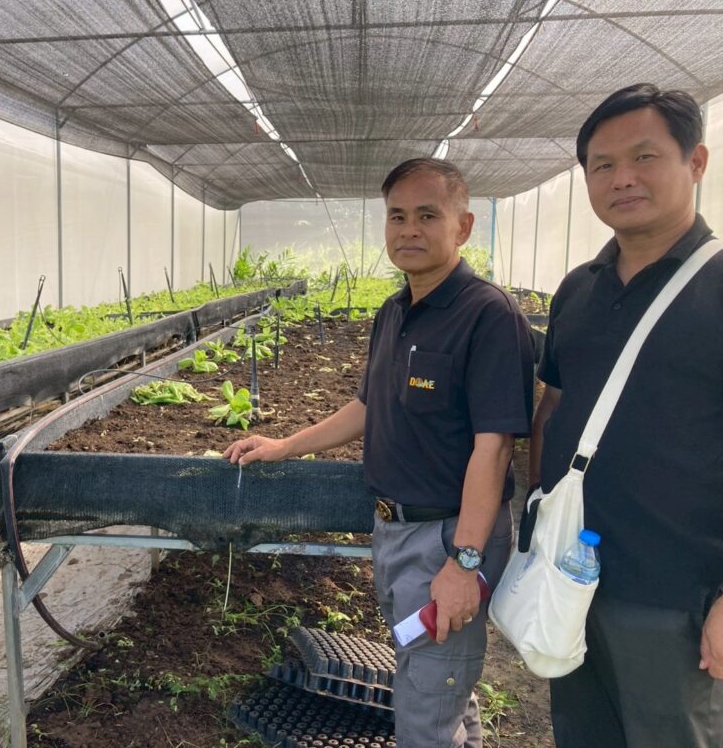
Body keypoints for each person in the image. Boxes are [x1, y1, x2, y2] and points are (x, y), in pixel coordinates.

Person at [224, 158, 534, 748]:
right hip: (394, 532)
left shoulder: (488, 315)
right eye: (397, 216)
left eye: (427, 216)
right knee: (438, 684)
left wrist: (464, 564)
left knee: (425, 711)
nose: (409, 229)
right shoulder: (394, 312)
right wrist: (285, 445)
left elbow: (494, 450)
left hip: (447, 538)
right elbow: (367, 408)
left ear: (464, 227)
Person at [530, 84, 723, 747]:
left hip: (676, 598)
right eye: (603, 165)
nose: (622, 179)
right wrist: (537, 524)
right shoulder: (579, 289)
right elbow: (553, 407)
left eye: (644, 157)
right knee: (582, 731)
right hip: (572, 579)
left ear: (696, 162)